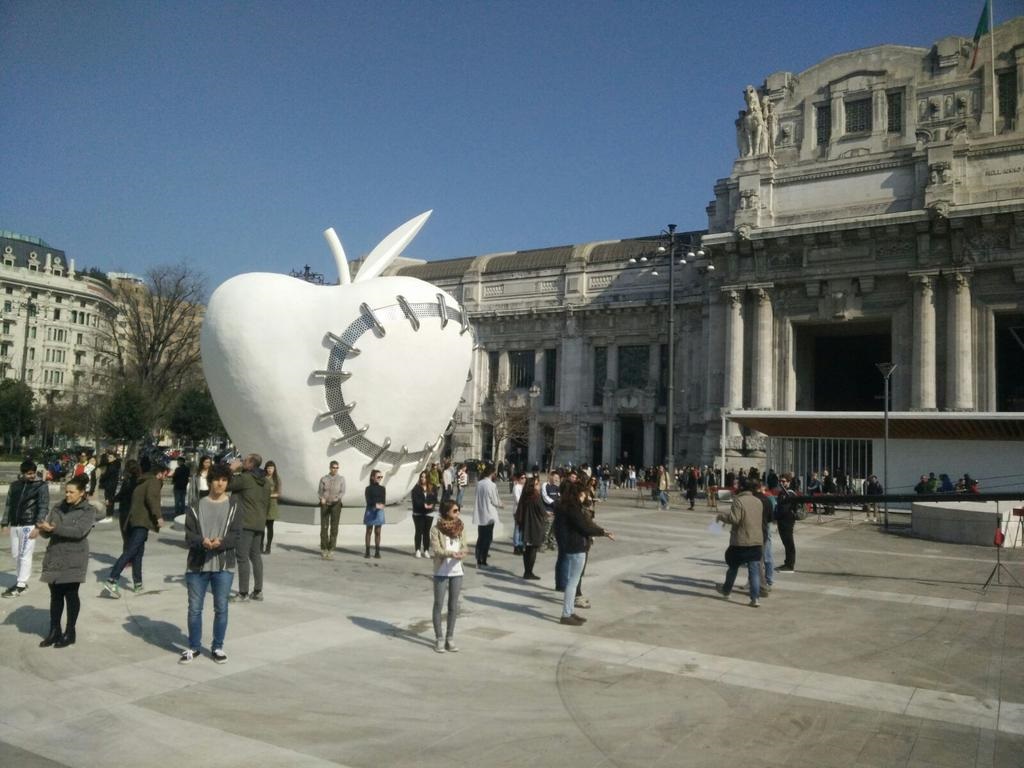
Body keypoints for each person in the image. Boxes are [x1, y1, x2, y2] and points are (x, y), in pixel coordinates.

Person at [180, 463, 242, 664]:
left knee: (221, 608)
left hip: (223, 566)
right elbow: (189, 535)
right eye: (216, 479)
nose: (220, 484)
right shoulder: (196, 506)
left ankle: (217, 647)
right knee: (195, 609)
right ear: (210, 481)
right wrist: (202, 541)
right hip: (197, 565)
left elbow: (236, 535)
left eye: (224, 480)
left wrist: (222, 542)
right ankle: (194, 647)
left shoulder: (233, 506)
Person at [37, 475, 94, 647]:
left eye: (71, 492)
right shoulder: (57, 507)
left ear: (82, 493)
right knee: (55, 595)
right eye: (66, 491)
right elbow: (48, 530)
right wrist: (44, 530)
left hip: (74, 556)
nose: (67, 495)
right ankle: (54, 631)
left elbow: (79, 532)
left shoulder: (87, 511)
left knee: (70, 594)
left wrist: (54, 528)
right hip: (55, 555)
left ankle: (70, 632)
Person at [103, 460, 169, 597]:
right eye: (165, 474)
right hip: (142, 521)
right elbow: (152, 498)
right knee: (131, 551)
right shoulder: (154, 482)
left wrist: (112, 500)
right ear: (160, 473)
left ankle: (138, 583)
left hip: (134, 520)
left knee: (138, 552)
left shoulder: (143, 481)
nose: (165, 477)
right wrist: (158, 517)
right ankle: (112, 579)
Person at [554, 480, 614, 625]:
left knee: (573, 582)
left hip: (573, 546)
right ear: (579, 494)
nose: (585, 497)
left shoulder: (566, 507)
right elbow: (584, 527)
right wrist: (603, 532)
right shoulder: (572, 509)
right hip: (576, 547)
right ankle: (566, 614)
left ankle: (570, 611)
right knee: (573, 582)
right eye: (584, 495)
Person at [2, 460, 49, 598]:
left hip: (29, 524)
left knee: (25, 555)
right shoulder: (15, 486)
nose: (32, 476)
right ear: (22, 473)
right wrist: (5, 523)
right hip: (15, 525)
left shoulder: (41, 486)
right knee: (16, 554)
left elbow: (43, 506)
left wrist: (38, 526)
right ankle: (20, 581)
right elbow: (9, 504)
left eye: (33, 473)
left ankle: (21, 584)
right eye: (29, 473)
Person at [714, 477, 764, 607]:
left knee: (733, 567)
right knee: (754, 571)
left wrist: (721, 516)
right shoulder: (758, 501)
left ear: (741, 487)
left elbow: (735, 519)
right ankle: (755, 598)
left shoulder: (738, 501)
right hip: (756, 540)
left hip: (741, 541)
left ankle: (726, 590)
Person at [228, 454, 270, 601]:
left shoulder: (245, 478)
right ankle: (258, 591)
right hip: (259, 522)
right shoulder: (265, 481)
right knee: (255, 556)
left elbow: (226, 484)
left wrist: (232, 469)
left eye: (244, 460)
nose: (241, 461)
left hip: (244, 522)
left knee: (242, 557)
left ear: (251, 463)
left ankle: (243, 593)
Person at [430, 499, 467, 653]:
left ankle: (449, 637)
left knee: (453, 605)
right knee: (439, 604)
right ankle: (439, 638)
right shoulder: (436, 529)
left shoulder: (461, 526)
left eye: (458, 510)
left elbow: (465, 544)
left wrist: (464, 552)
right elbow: (437, 549)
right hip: (441, 571)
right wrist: (452, 553)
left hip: (457, 571)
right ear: (446, 512)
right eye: (455, 511)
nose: (458, 513)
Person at [516, 477, 546, 580]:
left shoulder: (525, 496)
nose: (539, 486)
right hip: (535, 525)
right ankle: (529, 572)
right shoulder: (536, 496)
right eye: (537, 484)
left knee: (527, 549)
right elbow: (542, 511)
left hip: (526, 524)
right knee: (533, 549)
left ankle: (527, 571)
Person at [472, 464, 502, 567]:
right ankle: (483, 558)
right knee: (488, 538)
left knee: (481, 537)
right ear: (492, 473)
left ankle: (478, 558)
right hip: (489, 514)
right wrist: (501, 505)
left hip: (480, 513)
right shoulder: (491, 485)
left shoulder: (479, 483)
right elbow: (495, 500)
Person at [318, 460, 345, 559]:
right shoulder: (324, 478)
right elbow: (320, 491)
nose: (335, 469)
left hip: (336, 505)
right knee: (324, 527)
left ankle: (331, 549)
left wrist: (337, 498)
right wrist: (322, 498)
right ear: (330, 468)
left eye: (337, 468)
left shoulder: (341, 479)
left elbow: (342, 491)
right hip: (325, 504)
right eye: (333, 467)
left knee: (334, 527)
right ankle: (324, 548)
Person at [411, 471, 437, 558]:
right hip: (418, 513)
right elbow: (415, 500)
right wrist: (423, 505)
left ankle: (426, 550)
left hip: (429, 513)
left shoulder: (432, 487)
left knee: (426, 532)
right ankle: (417, 550)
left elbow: (434, 498)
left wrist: (431, 505)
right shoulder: (416, 488)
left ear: (428, 478)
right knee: (419, 531)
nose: (423, 479)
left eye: (425, 477)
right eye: (421, 477)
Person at [775, 473, 798, 572]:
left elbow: (784, 509)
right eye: (780, 481)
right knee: (786, 543)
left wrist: (774, 516)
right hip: (782, 521)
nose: (781, 483)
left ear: (788, 482)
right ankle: (787, 563)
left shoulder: (790, 494)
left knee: (789, 543)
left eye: (783, 481)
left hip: (787, 521)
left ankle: (790, 565)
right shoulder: (782, 493)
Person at [364, 469, 386, 558]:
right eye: (378, 477)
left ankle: (377, 551)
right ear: (373, 477)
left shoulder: (382, 488)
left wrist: (381, 505)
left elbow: (383, 499)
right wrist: (375, 505)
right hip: (371, 509)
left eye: (381, 477)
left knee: (378, 531)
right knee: (369, 531)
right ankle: (367, 551)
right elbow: (368, 500)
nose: (380, 478)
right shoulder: (368, 488)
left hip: (379, 510)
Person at [263, 460, 280, 554]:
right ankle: (259, 546)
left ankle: (268, 547)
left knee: (270, 527)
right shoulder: (263, 478)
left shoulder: (276, 479)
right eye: (268, 468)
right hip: (263, 505)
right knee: (261, 527)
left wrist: (268, 495)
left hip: (272, 505)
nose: (270, 470)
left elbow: (278, 493)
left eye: (272, 468)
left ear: (274, 469)